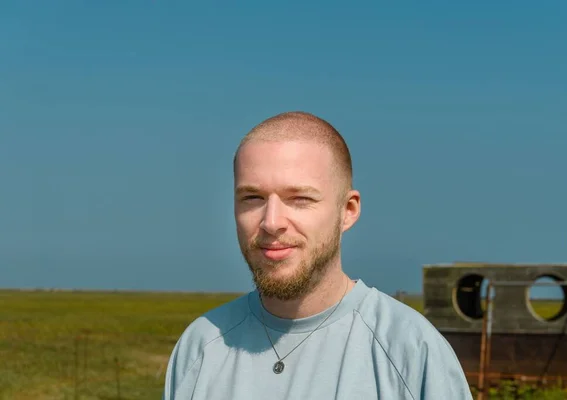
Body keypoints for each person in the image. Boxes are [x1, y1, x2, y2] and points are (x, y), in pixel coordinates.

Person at [162, 111, 472, 400]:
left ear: (347, 211)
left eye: (299, 198)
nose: (271, 222)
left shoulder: (410, 350)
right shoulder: (201, 346)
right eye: (252, 198)